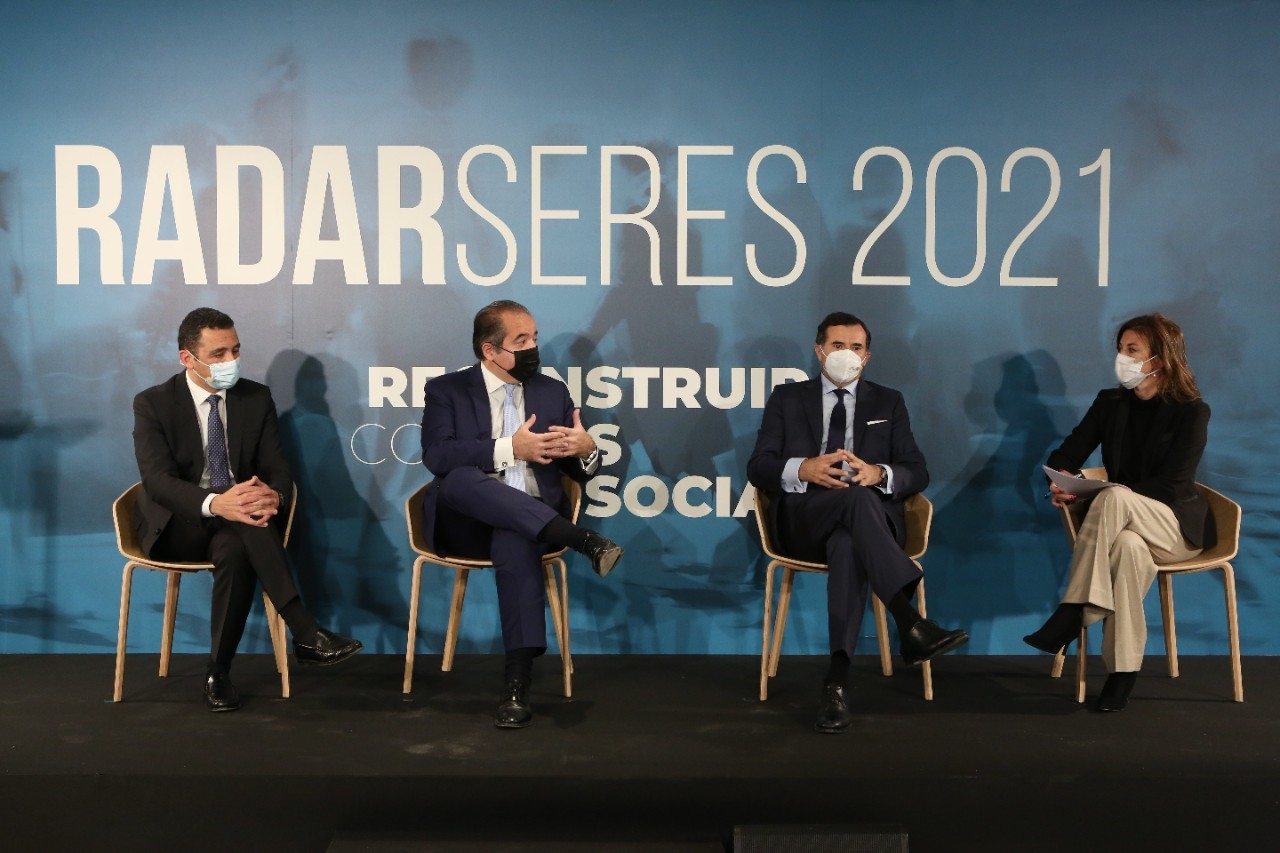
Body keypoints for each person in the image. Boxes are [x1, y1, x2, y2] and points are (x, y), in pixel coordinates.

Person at [132, 308, 363, 712]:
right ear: (188, 358)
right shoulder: (153, 403)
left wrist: (274, 494)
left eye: (235, 350)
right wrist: (215, 501)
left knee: (242, 531)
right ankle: (305, 631)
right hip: (179, 524)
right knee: (240, 508)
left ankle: (217, 672)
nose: (230, 362)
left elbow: (276, 466)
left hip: (238, 525)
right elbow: (158, 480)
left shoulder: (255, 398)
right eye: (218, 354)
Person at [747, 311, 969, 733]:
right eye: (837, 345)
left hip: (866, 526)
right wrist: (804, 468)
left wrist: (879, 474)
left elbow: (916, 471)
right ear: (819, 350)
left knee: (850, 537)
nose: (846, 354)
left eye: (856, 347)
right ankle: (908, 619)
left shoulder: (889, 401)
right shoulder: (787, 399)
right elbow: (758, 467)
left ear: (867, 357)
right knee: (853, 506)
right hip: (803, 522)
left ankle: (837, 683)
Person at [419, 299, 623, 729]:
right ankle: (581, 539)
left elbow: (576, 470)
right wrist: (511, 448)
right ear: (489, 351)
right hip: (466, 526)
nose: (534, 348)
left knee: (515, 534)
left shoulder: (552, 391)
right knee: (457, 478)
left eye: (535, 337)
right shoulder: (447, 391)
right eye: (521, 340)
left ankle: (517, 685)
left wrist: (587, 451)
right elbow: (437, 455)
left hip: (533, 524)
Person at [1025, 313, 1213, 712]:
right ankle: (1122, 674)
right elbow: (1067, 453)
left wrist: (1107, 493)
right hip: (1126, 527)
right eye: (1120, 349)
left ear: (1158, 361)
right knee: (1126, 549)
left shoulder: (1191, 412)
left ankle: (1073, 610)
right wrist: (1061, 480)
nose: (1121, 358)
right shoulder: (1110, 403)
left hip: (1174, 528)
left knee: (1111, 497)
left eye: (1132, 350)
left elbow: (1174, 484)